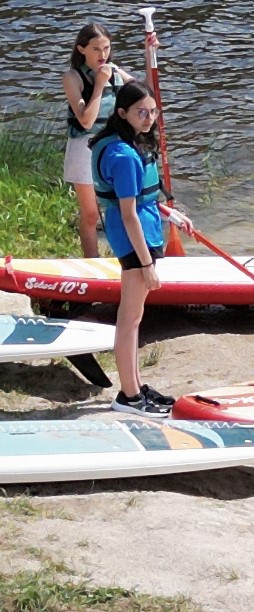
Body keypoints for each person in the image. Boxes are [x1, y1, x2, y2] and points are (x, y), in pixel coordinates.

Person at [90, 80, 187, 416]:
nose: (148, 118)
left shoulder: (125, 144)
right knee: (129, 320)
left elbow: (140, 198)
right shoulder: (122, 156)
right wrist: (146, 264)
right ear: (122, 113)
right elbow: (128, 213)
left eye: (152, 111)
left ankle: (135, 386)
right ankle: (129, 396)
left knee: (134, 317)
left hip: (139, 232)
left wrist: (168, 211)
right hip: (134, 241)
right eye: (140, 112)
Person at [60, 22, 132, 258]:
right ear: (82, 49)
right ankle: (92, 262)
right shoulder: (72, 77)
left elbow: (145, 94)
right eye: (96, 49)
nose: (103, 55)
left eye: (106, 48)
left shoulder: (115, 71)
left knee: (123, 207)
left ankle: (127, 255)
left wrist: (149, 50)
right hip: (85, 148)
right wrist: (100, 85)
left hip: (112, 146)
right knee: (91, 214)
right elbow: (86, 121)